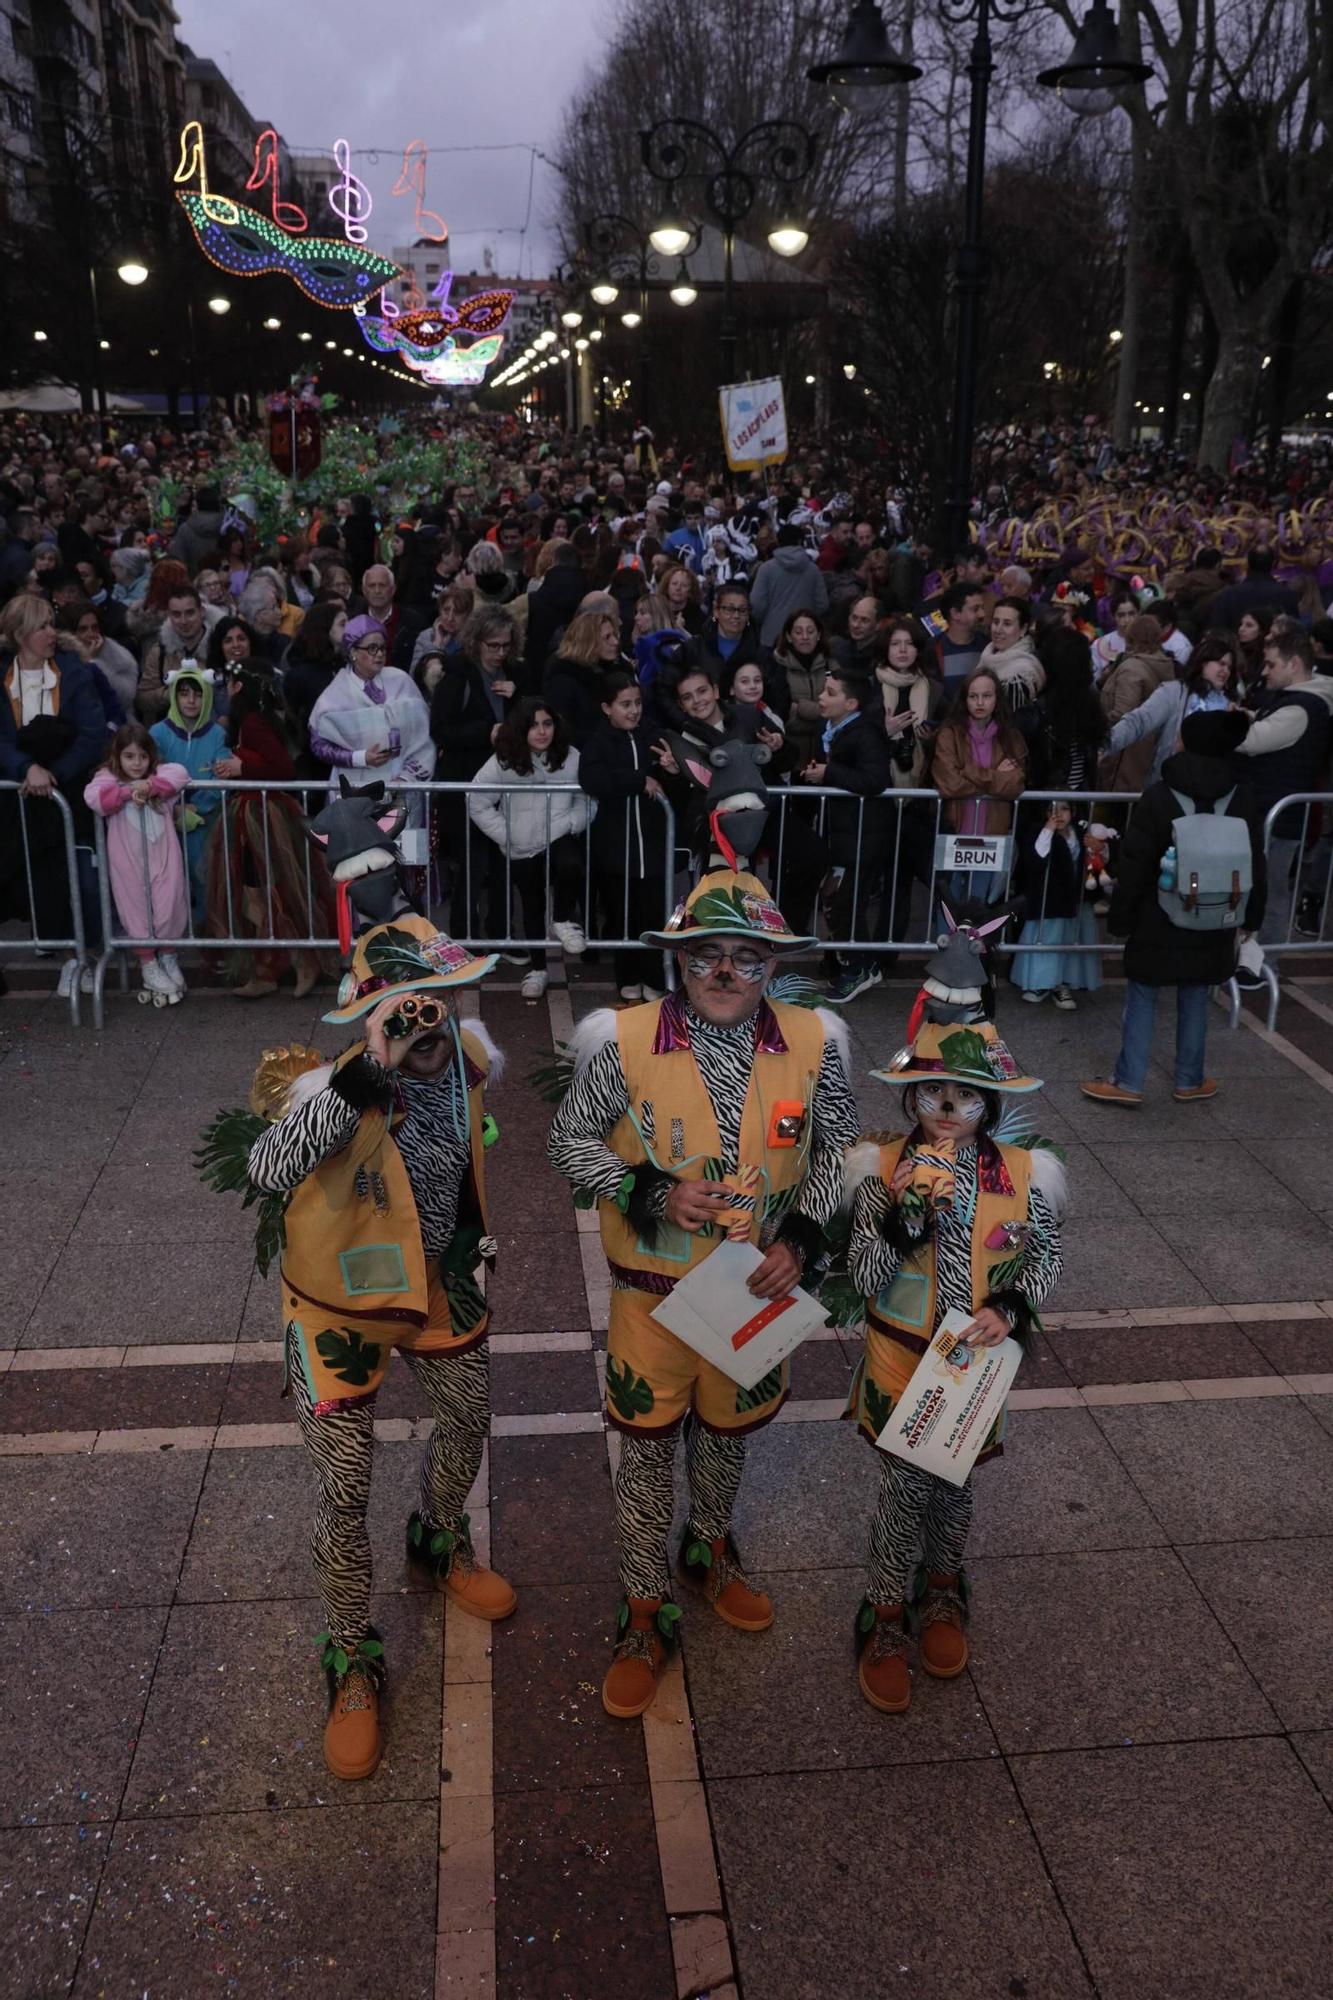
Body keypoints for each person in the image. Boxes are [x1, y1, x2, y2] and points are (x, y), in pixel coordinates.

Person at [547, 867, 859, 1718]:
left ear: (772, 965)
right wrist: (646, 1188)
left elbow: (835, 1153)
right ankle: (643, 1610)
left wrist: (803, 1237)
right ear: (677, 963)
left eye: (745, 958)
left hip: (755, 1289)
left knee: (725, 1440)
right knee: (646, 1453)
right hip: (650, 1297)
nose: (724, 974)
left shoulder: (815, 1041)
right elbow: (568, 1142)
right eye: (705, 957)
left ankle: (710, 1548)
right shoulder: (621, 1039)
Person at [240, 916, 515, 1780]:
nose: (424, 1025)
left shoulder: (470, 1064)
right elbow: (265, 1169)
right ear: (369, 1019)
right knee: (343, 1485)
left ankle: (438, 1539)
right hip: (337, 1309)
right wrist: (364, 1073)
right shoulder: (330, 1091)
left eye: (436, 1005)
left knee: (469, 1419)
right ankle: (351, 1656)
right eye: (402, 1011)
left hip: (436, 1281)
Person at [845, 1011, 1064, 1712]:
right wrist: (904, 1214)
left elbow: (1043, 1255)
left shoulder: (1025, 1173)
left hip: (973, 1365)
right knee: (906, 1486)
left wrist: (1012, 1305)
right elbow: (862, 1274)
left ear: (989, 1104)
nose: (945, 1109)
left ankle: (941, 1588)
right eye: (931, 1093)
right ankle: (881, 1613)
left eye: (964, 1096)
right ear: (908, 1098)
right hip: (899, 1355)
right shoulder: (880, 1167)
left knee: (956, 1485)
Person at [1082, 710, 1265, 1106]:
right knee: (1197, 994)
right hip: (1217, 915)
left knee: (1143, 995)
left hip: (1159, 914)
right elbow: (1256, 861)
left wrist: (1121, 918)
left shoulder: (1161, 796)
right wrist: (1251, 917)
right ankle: (1189, 1079)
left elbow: (1135, 863)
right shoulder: (1243, 797)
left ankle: (1128, 1082)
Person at [205, 660, 337, 999]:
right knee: (259, 894)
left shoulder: (252, 723)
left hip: (262, 817)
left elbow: (281, 767)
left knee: (269, 892)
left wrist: (242, 765)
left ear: (238, 688)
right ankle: (270, 967)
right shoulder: (253, 722)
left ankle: (297, 961)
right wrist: (237, 768)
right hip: (252, 815)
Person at [0, 591, 106, 992]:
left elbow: (93, 734)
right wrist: (26, 768)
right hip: (16, 802)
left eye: (51, 624)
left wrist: (54, 774)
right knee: (34, 882)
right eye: (42, 625)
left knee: (80, 879)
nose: (51, 633)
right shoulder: (2, 678)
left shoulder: (75, 673)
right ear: (20, 632)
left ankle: (85, 953)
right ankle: (64, 954)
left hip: (69, 798)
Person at [467, 697, 589, 999]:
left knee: (572, 865)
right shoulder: (504, 759)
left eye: (547, 724)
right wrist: (506, 834)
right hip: (521, 846)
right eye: (534, 725)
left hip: (559, 835)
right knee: (531, 906)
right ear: (521, 728)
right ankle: (538, 970)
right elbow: (476, 799)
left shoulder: (571, 756)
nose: (542, 731)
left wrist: (574, 822)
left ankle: (562, 919)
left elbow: (587, 797)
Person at [309, 614, 436, 867]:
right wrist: (360, 757)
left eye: (382, 647)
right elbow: (318, 745)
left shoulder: (401, 681)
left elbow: (424, 737)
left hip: (404, 791)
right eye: (371, 648)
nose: (379, 654)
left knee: (408, 863)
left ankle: (410, 906)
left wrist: (407, 778)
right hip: (355, 794)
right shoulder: (334, 695)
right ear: (353, 652)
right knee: (360, 865)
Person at [1235, 617, 1333, 945]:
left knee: (1271, 893)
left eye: (1271, 665)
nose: (1264, 672)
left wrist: (1219, 727)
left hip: (1278, 816)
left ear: (1293, 665)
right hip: (1274, 811)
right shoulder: (1301, 700)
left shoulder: (1302, 707)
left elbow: (1255, 740)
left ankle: (1263, 961)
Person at [801, 667, 894, 1002]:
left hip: (862, 836)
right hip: (846, 834)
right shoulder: (837, 730)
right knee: (839, 900)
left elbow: (875, 780)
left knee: (846, 902)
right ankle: (853, 963)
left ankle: (860, 967)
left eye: (830, 692)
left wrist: (829, 773)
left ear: (851, 703)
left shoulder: (865, 733)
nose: (822, 698)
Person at [578, 671, 673, 999]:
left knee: (652, 914)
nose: (633, 710)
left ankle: (654, 975)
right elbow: (593, 780)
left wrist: (671, 769)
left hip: (654, 846)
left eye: (637, 703)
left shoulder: (655, 735)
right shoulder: (598, 742)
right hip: (616, 848)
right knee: (621, 914)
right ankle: (627, 976)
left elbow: (672, 777)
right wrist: (637, 780)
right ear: (607, 708)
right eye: (625, 704)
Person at [85, 723, 190, 1003]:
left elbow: (180, 774)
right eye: (129, 756)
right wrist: (127, 791)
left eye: (142, 756)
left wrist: (149, 786)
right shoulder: (107, 779)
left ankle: (168, 955)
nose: (137, 763)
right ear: (117, 756)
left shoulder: (159, 777)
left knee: (170, 903)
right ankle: (148, 963)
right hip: (128, 862)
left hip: (164, 856)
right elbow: (95, 797)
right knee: (136, 908)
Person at [931, 666, 1027, 905]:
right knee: (949, 904)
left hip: (990, 837)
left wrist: (969, 771)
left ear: (997, 699)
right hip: (955, 831)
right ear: (965, 700)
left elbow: (1015, 784)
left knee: (977, 905)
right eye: (973, 696)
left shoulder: (1010, 737)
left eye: (987, 695)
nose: (980, 702)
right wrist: (995, 778)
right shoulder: (949, 734)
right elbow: (950, 784)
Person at [150, 663, 227, 925]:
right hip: (165, 818)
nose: (191, 700)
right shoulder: (158, 733)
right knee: (167, 877)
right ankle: (169, 930)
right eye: (184, 693)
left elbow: (223, 773)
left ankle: (204, 931)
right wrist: (174, 806)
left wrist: (199, 806)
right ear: (174, 696)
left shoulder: (218, 734)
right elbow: (151, 773)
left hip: (205, 820)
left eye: (198, 694)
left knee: (203, 874)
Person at [1011, 800, 1102, 1008]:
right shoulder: (1040, 832)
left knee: (1070, 941)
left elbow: (1092, 862)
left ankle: (1062, 983)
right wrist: (1048, 831)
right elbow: (1035, 858)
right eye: (1052, 810)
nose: (1058, 815)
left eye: (1064, 809)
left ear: (1073, 812)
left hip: (1074, 900)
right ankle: (1040, 983)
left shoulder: (1080, 834)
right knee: (1047, 939)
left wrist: (1099, 849)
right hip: (1049, 902)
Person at [1097, 614, 1177, 794]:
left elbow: (1122, 713)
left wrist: (1097, 727)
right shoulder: (1167, 666)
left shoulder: (1132, 668)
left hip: (1123, 760)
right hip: (1148, 756)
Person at [545, 607, 623, 748]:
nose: (615, 642)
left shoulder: (610, 672)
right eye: (607, 637)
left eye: (614, 635)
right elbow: (562, 731)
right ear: (588, 641)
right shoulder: (563, 680)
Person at [749, 522, 829, 648]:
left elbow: (757, 605)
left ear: (778, 542)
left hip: (772, 636)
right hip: (804, 639)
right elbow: (822, 604)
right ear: (800, 541)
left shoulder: (766, 569)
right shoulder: (813, 570)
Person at [772, 609, 834, 769]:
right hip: (791, 754)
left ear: (819, 635)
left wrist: (802, 708)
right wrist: (820, 712)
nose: (805, 637)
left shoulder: (832, 665)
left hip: (826, 753)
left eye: (810, 631)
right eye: (798, 632)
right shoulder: (777, 666)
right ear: (788, 636)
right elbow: (781, 711)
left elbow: (838, 710)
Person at [56, 598, 139, 716]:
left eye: (95, 627)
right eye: (83, 629)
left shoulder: (117, 654)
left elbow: (125, 698)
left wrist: (95, 663)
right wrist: (88, 662)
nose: (91, 634)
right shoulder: (60, 658)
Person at [1211, 546, 1300, 630]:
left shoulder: (1229, 594)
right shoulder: (1287, 595)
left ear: (1248, 564)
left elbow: (1217, 629)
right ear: (1273, 564)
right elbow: (1294, 632)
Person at [930, 582, 989, 693]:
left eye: (982, 608)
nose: (982, 614)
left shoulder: (988, 645)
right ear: (955, 613)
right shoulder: (933, 648)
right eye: (975, 609)